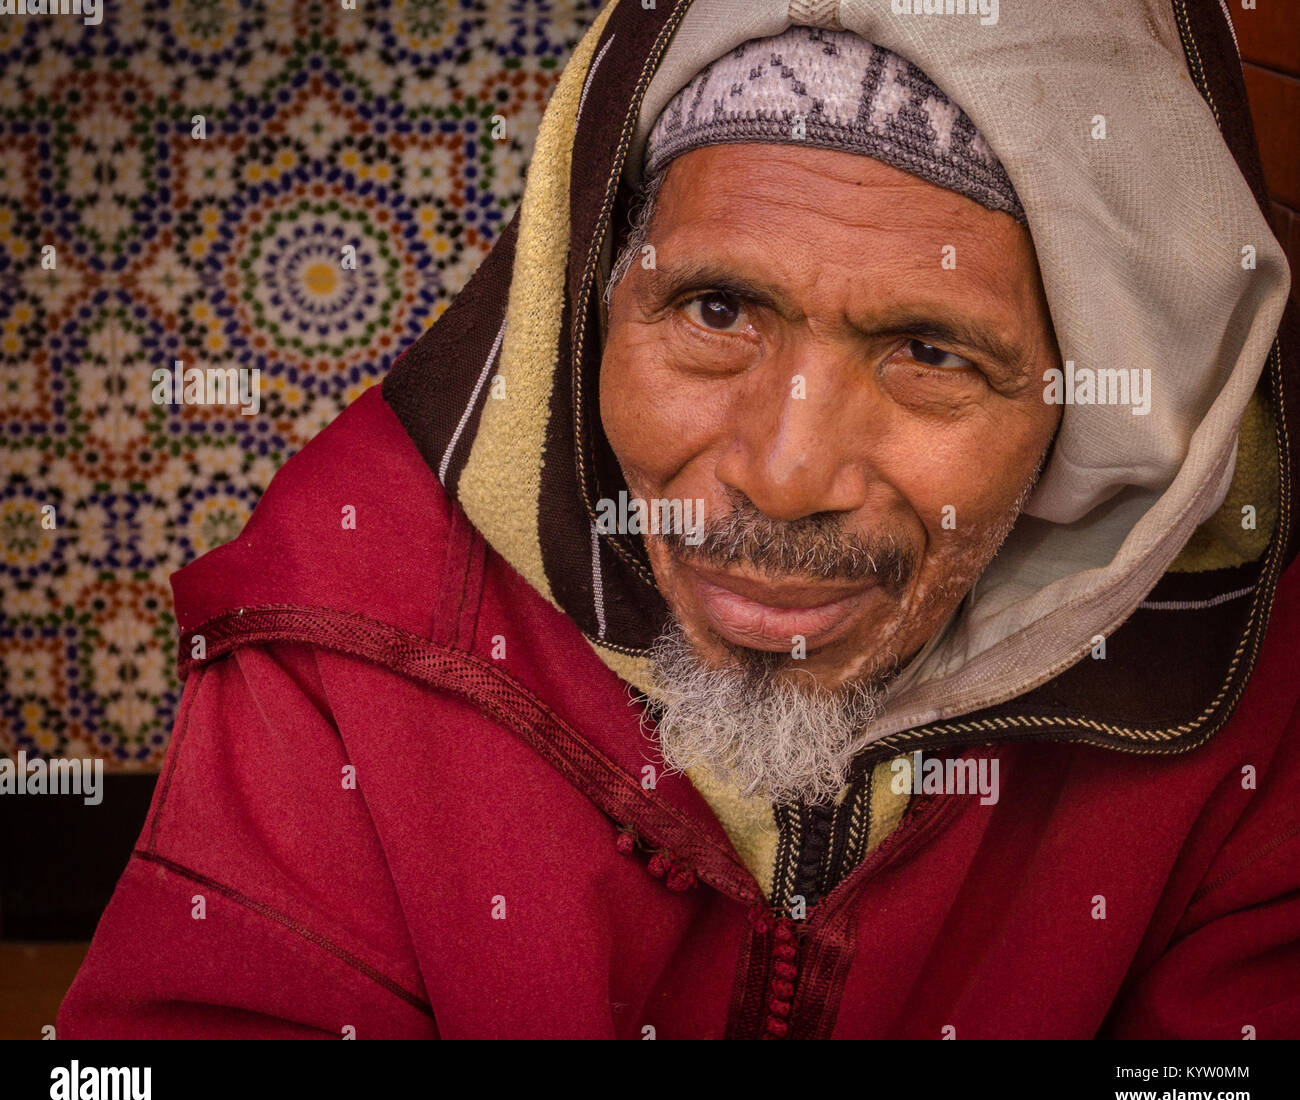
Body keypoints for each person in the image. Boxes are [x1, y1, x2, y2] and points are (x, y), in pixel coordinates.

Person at [60, 1, 1298, 1039]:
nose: (781, 469)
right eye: (714, 310)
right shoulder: (355, 600)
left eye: (930, 350)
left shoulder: (1247, 685)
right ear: (591, 302)